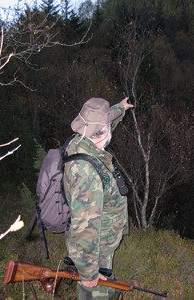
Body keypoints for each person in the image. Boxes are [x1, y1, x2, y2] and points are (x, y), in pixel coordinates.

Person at [63, 97, 133, 299]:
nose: (110, 126)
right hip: (97, 246)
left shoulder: (80, 141)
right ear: (103, 132)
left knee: (105, 289)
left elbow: (106, 121)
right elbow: (85, 227)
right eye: (108, 126)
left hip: (100, 240)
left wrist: (121, 108)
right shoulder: (87, 174)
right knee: (95, 295)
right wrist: (89, 273)